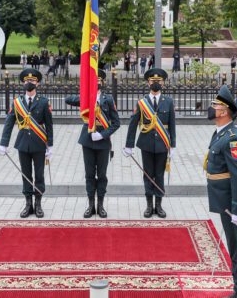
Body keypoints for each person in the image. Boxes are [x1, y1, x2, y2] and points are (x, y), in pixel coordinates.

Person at [205, 84, 237, 298]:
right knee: (234, 243)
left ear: (224, 111)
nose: (211, 107)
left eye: (215, 105)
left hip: (231, 202)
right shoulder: (220, 133)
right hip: (223, 198)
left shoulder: (232, 137)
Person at [65, 69, 121, 218]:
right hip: (88, 141)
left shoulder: (108, 100)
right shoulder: (86, 98)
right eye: (93, 81)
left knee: (101, 175)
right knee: (89, 174)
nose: (97, 83)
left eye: (99, 81)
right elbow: (67, 99)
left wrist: (102, 135)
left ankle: (100, 205)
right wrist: (84, 92)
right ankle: (91, 205)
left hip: (102, 142)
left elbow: (116, 123)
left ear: (102, 82)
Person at [0, 69, 54, 218]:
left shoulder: (43, 102)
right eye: (27, 81)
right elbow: (9, 123)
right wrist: (3, 143)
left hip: (39, 144)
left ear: (38, 83)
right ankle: (28, 204)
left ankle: (38, 204)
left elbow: (49, 125)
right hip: (23, 144)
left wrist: (50, 145)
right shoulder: (17, 102)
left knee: (39, 175)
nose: (29, 83)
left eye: (33, 81)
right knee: (26, 174)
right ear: (23, 83)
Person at [124, 68, 177, 218]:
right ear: (148, 83)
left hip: (162, 144)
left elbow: (172, 124)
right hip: (146, 143)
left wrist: (173, 145)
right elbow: (133, 124)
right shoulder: (142, 103)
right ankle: (148, 205)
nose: (156, 83)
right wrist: (129, 145)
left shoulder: (168, 101)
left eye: (158, 81)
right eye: (153, 81)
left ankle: (158, 205)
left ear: (163, 83)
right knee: (148, 174)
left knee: (159, 174)